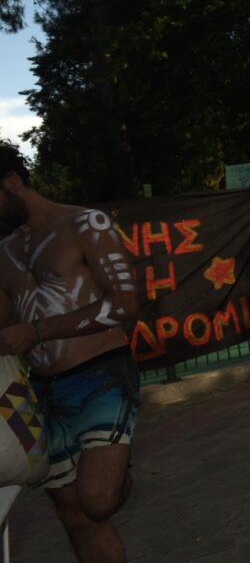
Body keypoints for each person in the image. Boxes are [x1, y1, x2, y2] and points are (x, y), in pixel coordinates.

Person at [0, 141, 140, 563]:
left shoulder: (85, 224)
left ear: (11, 181)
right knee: (74, 515)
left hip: (102, 376)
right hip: (43, 393)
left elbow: (125, 304)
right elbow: (6, 325)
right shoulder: (4, 252)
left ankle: (116, 473)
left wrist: (38, 331)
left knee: (96, 500)